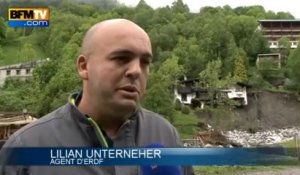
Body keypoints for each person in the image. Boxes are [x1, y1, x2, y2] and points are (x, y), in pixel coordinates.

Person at [0, 19, 194, 175]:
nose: (136, 70)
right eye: (121, 58)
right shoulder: (25, 147)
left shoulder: (167, 136)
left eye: (145, 62)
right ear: (84, 67)